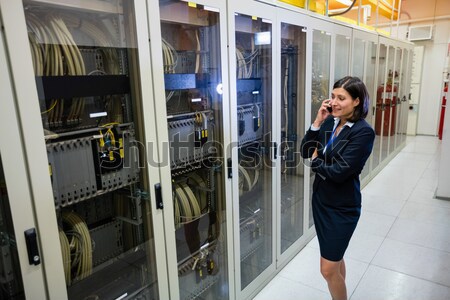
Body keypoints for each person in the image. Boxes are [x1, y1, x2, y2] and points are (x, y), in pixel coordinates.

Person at [301, 76, 375, 300]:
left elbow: (339, 172)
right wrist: (317, 121)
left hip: (342, 208)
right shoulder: (330, 123)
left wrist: (316, 161)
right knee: (335, 259)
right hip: (322, 201)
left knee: (327, 269)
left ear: (357, 101)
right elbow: (305, 151)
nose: (334, 102)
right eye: (333, 96)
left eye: (341, 98)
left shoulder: (363, 132)